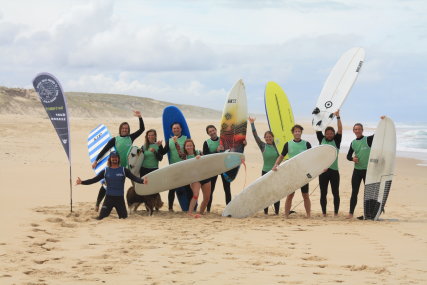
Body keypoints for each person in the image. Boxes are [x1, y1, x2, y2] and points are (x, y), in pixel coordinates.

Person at [91, 111, 145, 210]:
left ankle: (140, 204)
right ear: (120, 129)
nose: (125, 130)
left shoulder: (130, 138)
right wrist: (96, 161)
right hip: (116, 167)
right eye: (123, 128)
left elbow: (142, 129)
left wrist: (140, 117)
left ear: (128, 130)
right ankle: (98, 204)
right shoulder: (115, 140)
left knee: (137, 185)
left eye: (126, 128)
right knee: (106, 185)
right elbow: (104, 150)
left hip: (128, 168)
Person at [76, 151, 147, 220]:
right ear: (110, 159)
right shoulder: (106, 171)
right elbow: (94, 180)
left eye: (116, 157)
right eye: (112, 157)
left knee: (124, 218)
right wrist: (82, 182)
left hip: (119, 199)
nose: (114, 159)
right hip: (109, 198)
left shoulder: (123, 170)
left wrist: (142, 181)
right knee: (101, 217)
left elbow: (134, 178)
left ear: (118, 159)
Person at [346, 116, 385, 219]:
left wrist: (383, 121)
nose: (357, 131)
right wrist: (352, 159)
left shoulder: (368, 139)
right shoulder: (353, 143)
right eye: (355, 129)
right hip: (357, 171)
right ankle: (350, 213)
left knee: (368, 193)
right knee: (354, 192)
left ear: (362, 130)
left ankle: (367, 213)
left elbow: (379, 134)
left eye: (359, 129)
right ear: (353, 131)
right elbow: (348, 156)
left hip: (368, 171)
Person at [272, 124, 312, 218]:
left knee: (305, 195)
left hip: (303, 173)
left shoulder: (306, 144)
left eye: (299, 131)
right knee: (290, 195)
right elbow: (281, 156)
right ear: (293, 133)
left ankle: (308, 215)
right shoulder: (288, 144)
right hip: (292, 173)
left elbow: (311, 157)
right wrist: (275, 165)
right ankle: (286, 215)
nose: (297, 133)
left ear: (301, 132)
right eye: (295, 131)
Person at [249, 117, 280, 215]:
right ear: (265, 138)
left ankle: (277, 212)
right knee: (266, 192)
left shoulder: (278, 146)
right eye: (266, 137)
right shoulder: (263, 146)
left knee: (276, 192)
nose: (268, 138)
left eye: (270, 136)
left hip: (276, 171)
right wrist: (252, 124)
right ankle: (265, 212)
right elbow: (255, 136)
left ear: (273, 137)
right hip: (265, 171)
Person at [161, 122, 193, 211]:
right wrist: (159, 146)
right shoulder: (169, 141)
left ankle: (191, 207)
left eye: (177, 128)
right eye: (174, 128)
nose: (176, 130)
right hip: (173, 167)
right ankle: (170, 208)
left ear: (181, 129)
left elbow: (191, 150)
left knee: (187, 187)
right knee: (172, 188)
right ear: (172, 130)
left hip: (184, 167)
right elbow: (163, 152)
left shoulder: (186, 139)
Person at [316, 110, 342, 217]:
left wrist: (338, 117)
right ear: (325, 134)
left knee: (335, 193)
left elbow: (340, 130)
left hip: (334, 171)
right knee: (323, 193)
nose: (329, 135)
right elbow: (317, 128)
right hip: (323, 171)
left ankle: (336, 213)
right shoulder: (321, 139)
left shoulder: (336, 140)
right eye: (327, 133)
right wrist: (318, 115)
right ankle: (324, 213)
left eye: (331, 133)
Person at [202, 125, 232, 212]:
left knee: (227, 189)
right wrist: (216, 151)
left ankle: (228, 210)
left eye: (213, 130)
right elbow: (206, 157)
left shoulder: (223, 140)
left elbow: (232, 148)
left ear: (216, 130)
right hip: (213, 169)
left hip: (224, 168)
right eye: (210, 131)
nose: (212, 132)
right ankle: (208, 210)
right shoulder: (207, 143)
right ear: (208, 134)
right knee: (210, 190)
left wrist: (243, 143)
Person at [184, 139, 211, 217]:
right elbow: (185, 169)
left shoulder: (199, 152)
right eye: (187, 146)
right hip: (194, 178)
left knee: (207, 198)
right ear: (185, 147)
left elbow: (207, 162)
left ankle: (200, 213)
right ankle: (190, 213)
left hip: (205, 176)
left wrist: (201, 158)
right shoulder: (185, 157)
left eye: (190, 145)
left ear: (193, 146)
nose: (189, 147)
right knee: (196, 195)